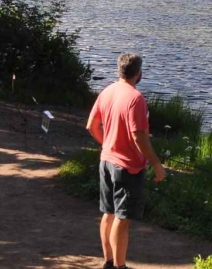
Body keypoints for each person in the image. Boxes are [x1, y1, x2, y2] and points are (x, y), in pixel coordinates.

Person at [87, 53, 165, 269]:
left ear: (119, 70)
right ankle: (120, 266)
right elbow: (138, 136)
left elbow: (91, 126)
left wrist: (107, 144)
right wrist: (156, 164)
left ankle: (109, 261)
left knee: (108, 213)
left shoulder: (107, 91)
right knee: (122, 218)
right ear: (138, 73)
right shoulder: (136, 98)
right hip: (128, 167)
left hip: (106, 161)